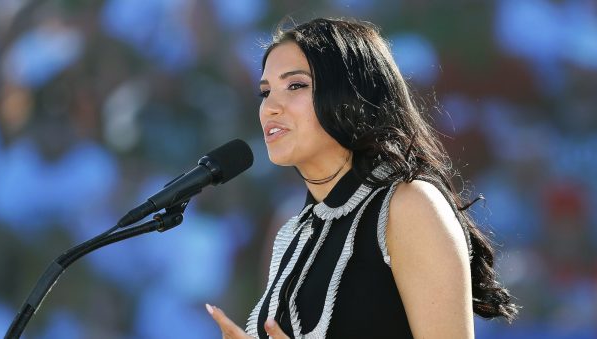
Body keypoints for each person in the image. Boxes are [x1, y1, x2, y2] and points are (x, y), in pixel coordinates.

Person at [206, 17, 518, 338]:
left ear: (350, 93)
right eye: (265, 92)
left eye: (295, 85)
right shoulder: (292, 230)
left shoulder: (410, 205)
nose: (269, 107)